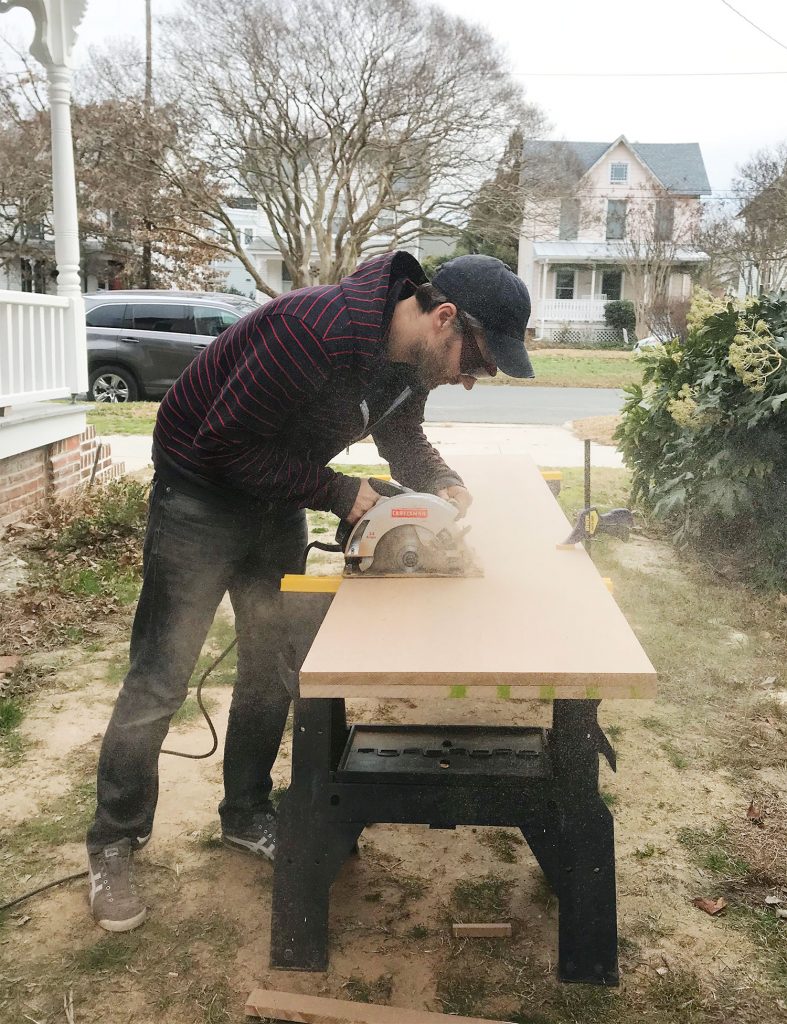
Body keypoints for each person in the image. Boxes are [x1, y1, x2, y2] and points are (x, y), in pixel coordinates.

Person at [85, 250, 532, 932]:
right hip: (200, 495)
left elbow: (401, 432)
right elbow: (221, 444)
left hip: (276, 495)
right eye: (474, 362)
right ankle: (114, 842)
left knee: (270, 666)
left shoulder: (405, 361)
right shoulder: (312, 330)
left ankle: (245, 814)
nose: (468, 380)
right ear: (444, 318)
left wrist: (440, 483)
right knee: (159, 678)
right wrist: (337, 491)